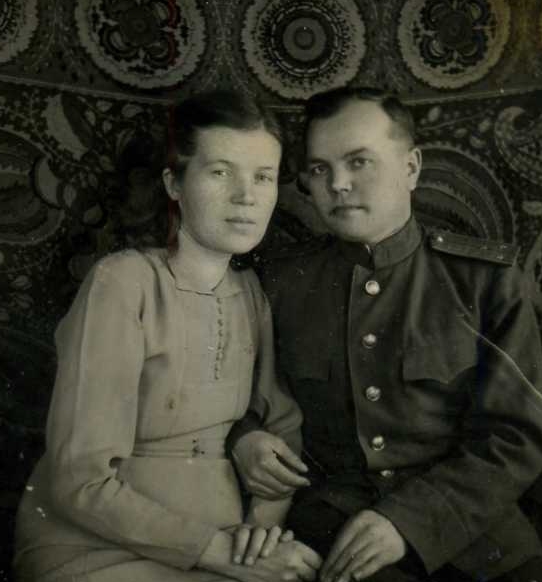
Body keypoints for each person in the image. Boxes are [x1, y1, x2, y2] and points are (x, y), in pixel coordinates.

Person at [229, 87, 542, 582]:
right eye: (319, 169)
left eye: (359, 162)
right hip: (334, 536)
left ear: (411, 167)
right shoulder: (278, 284)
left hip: (478, 540)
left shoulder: (483, 281)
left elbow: (518, 436)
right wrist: (245, 438)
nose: (338, 183)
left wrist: (408, 521)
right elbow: (229, 397)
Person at [13, 90, 322, 582]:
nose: (246, 195)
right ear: (174, 182)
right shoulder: (122, 282)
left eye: (263, 176)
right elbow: (80, 479)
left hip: (226, 539)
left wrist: (260, 538)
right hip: (96, 545)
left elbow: (282, 427)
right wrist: (220, 553)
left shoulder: (252, 294)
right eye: (220, 172)